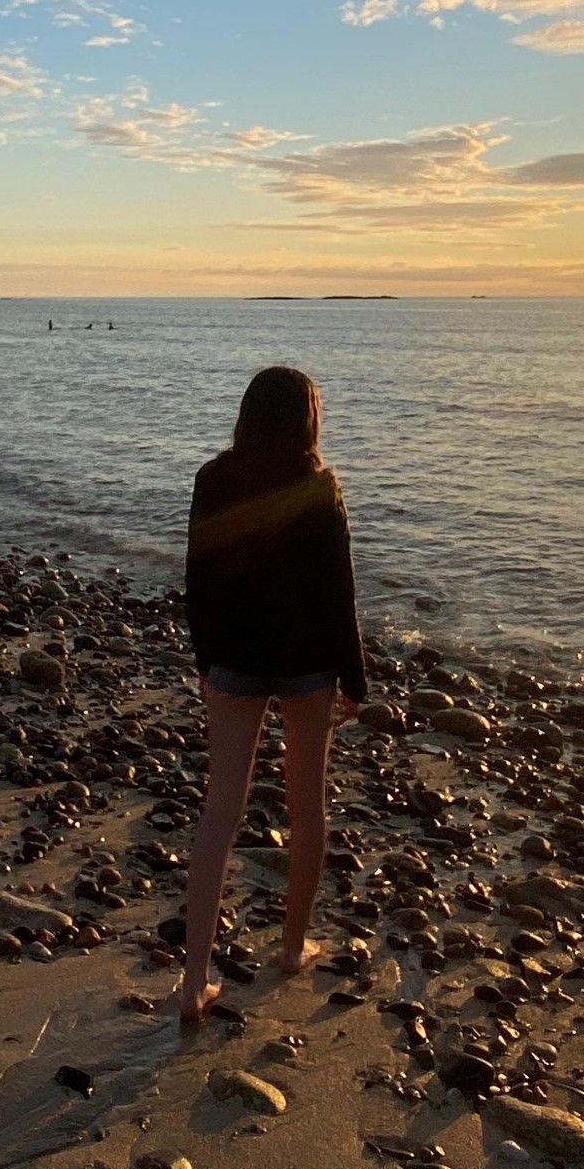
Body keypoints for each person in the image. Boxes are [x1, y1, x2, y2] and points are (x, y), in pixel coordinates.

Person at [178, 364, 366, 1026]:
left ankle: (194, 981)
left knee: (219, 813)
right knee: (306, 805)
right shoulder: (319, 484)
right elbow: (338, 593)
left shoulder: (214, 478)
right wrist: (356, 679)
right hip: (307, 665)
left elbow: (198, 578)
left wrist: (207, 659)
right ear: (305, 419)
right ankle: (291, 950)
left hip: (233, 661)